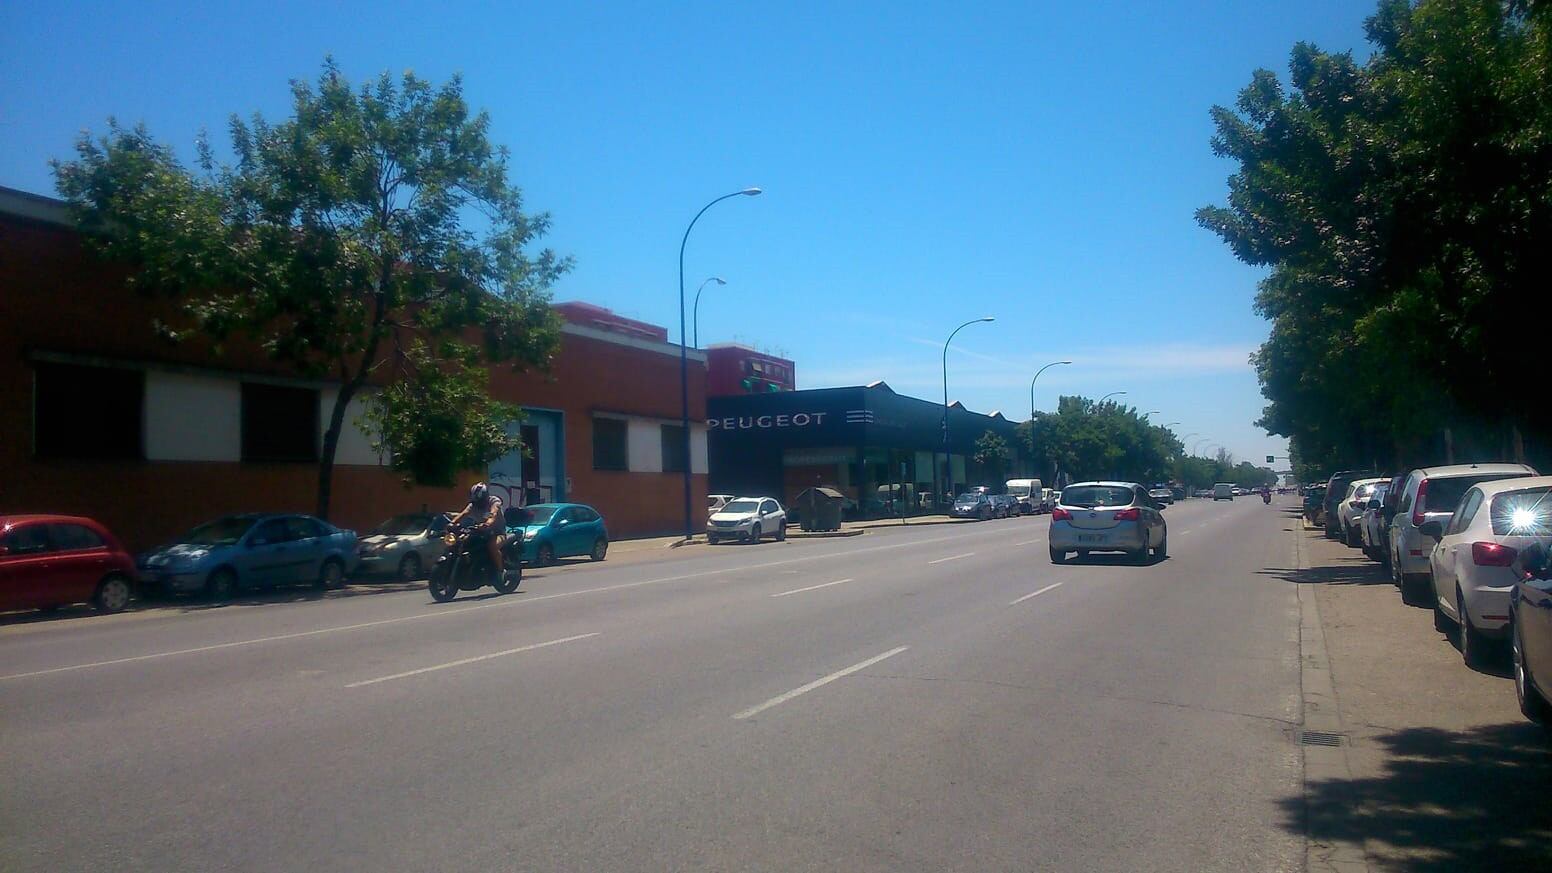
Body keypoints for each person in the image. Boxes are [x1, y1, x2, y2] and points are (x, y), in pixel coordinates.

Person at [450, 482, 505, 577]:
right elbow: (463, 513)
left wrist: (487, 524)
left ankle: (500, 572)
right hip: (480, 532)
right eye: (476, 501)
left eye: (480, 501)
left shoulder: (494, 501)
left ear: (485, 497)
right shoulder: (473, 505)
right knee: (462, 542)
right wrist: (452, 523)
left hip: (497, 533)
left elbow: (493, 514)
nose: (478, 504)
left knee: (492, 546)